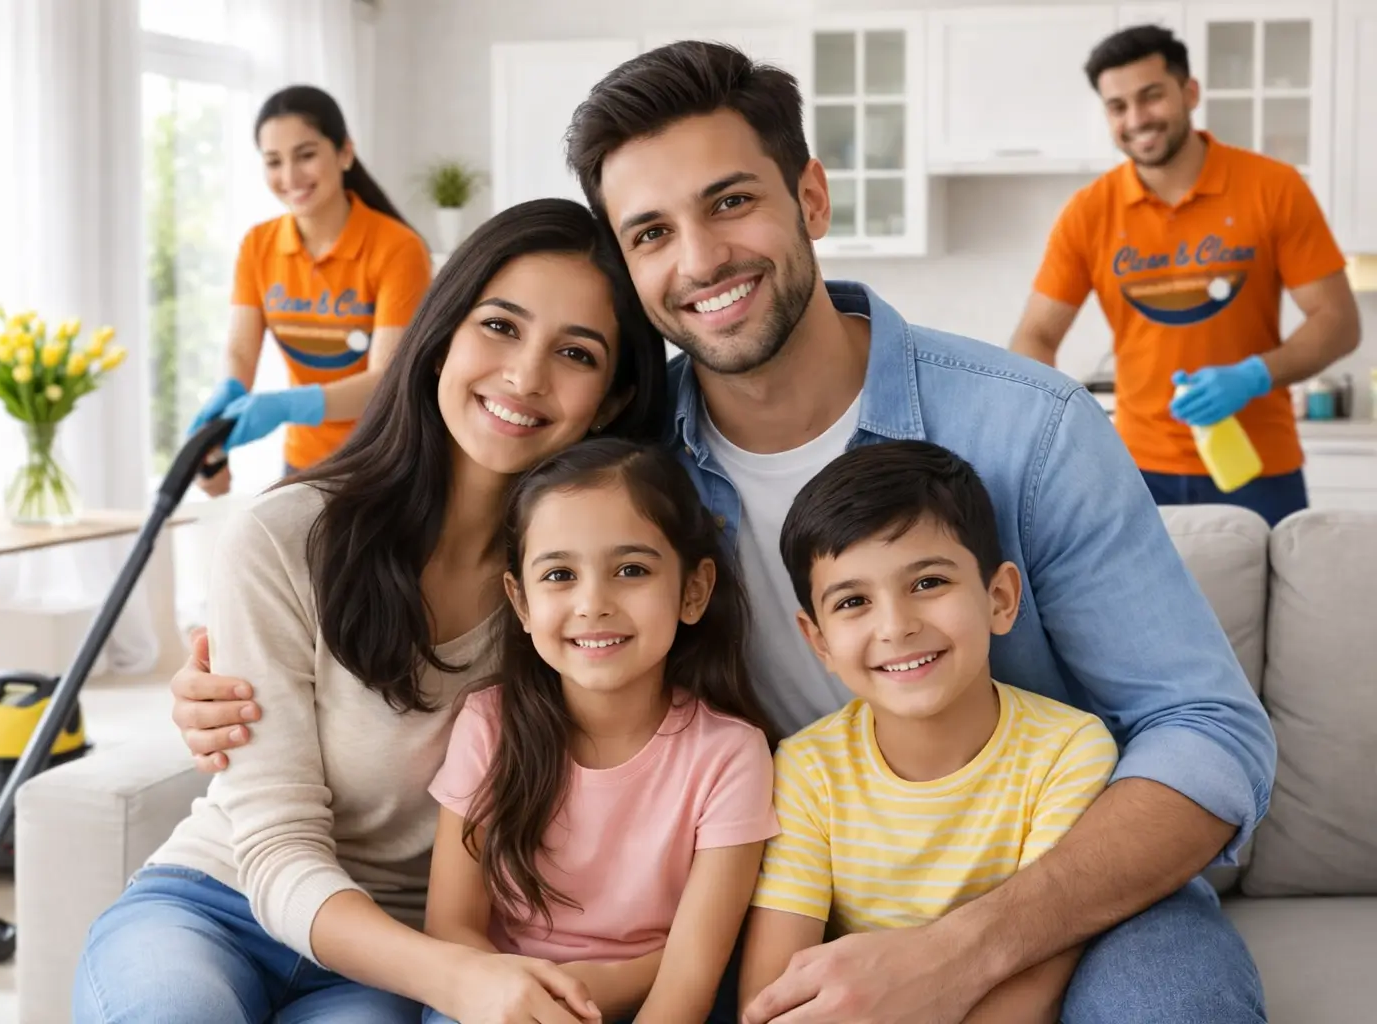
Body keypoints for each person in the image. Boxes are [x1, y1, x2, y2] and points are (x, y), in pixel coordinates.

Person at [172, 41, 1276, 1023]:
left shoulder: (1026, 428)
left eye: (731, 202)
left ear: (810, 194)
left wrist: (967, 947)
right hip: (779, 894)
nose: (699, 260)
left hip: (1049, 884)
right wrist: (239, 678)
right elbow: (504, 621)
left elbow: (1209, 733)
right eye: (651, 231)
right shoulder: (622, 471)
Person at [72, 197, 670, 1024]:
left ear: (609, 400)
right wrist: (460, 979)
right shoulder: (286, 538)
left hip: (393, 956)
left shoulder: (590, 595)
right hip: (218, 901)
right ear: (441, 339)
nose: (526, 376)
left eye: (575, 352)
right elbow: (275, 842)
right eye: (499, 327)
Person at [739, 440, 1118, 1023]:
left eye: (927, 583)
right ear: (819, 642)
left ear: (999, 598)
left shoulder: (1067, 751)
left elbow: (1037, 984)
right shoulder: (807, 769)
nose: (896, 626)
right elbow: (770, 995)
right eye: (853, 601)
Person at [422, 438, 778, 1024]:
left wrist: (602, 987)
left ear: (693, 590)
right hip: (495, 1003)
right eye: (560, 574)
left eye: (631, 570)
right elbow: (452, 928)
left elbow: (689, 982)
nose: (593, 603)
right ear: (522, 602)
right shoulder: (489, 725)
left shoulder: (730, 755)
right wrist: (530, 1002)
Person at [1010, 25, 1360, 526]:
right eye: (1118, 106)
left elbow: (1339, 322)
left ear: (1189, 92)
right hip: (1135, 471)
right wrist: (1060, 423)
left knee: (1262, 608)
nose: (1137, 119)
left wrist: (1254, 375)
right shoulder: (1089, 212)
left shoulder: (1273, 188)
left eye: (1151, 96)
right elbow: (1036, 334)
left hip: (1259, 467)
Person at [190, 84, 433, 494]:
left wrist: (286, 404)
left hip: (384, 465)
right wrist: (224, 407)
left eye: (305, 155)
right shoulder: (258, 245)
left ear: (344, 153)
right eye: (273, 161)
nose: (289, 177)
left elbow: (387, 382)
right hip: (302, 466)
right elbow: (241, 351)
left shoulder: (397, 249)